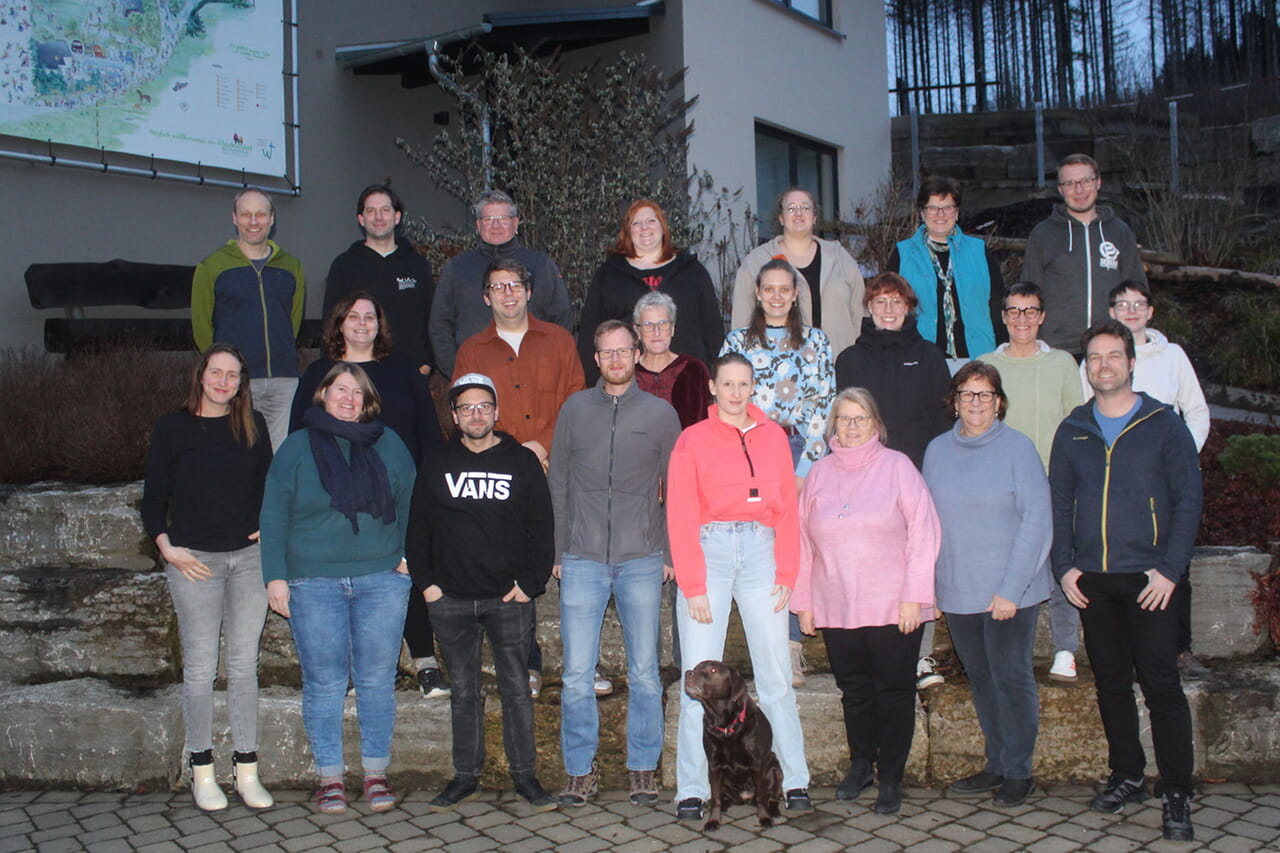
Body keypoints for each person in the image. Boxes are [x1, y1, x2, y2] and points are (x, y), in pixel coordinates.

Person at [1049, 320, 1202, 842]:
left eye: (1114, 356)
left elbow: (1188, 502)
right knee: (1112, 685)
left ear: (1131, 363)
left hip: (1151, 580)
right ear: (1086, 366)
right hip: (1094, 580)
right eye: (1095, 358)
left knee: (1161, 684)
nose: (1104, 366)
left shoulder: (1164, 424)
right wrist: (1065, 566)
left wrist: (1170, 570)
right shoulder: (1073, 428)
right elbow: (1059, 502)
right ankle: (1127, 775)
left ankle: (1177, 791)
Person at [259, 363, 417, 815]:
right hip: (313, 581)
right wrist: (275, 577)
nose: (349, 398)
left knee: (376, 681)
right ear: (323, 394)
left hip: (381, 578)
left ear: (368, 401)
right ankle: (329, 776)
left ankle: (374, 772)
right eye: (340, 389)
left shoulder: (389, 444)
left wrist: (407, 558)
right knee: (325, 683)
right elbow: (273, 513)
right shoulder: (296, 448)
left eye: (358, 392)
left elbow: (410, 500)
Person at [666, 352, 812, 823]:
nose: (734, 392)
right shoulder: (691, 441)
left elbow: (788, 510)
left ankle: (792, 779)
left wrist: (787, 573)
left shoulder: (774, 438)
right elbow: (681, 514)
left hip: (761, 552)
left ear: (754, 387)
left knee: (773, 678)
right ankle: (691, 787)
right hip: (709, 551)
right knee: (696, 680)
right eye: (726, 384)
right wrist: (692, 584)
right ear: (712, 387)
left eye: (743, 384)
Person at [406, 373, 558, 813]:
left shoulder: (521, 461)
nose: (476, 414)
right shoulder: (437, 462)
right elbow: (418, 530)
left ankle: (525, 777)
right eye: (467, 408)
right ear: (454, 416)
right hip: (450, 600)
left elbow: (542, 528)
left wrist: (529, 585)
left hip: (506, 599)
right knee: (464, 691)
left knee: (516, 689)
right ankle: (465, 776)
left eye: (484, 407)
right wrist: (429, 586)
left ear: (496, 412)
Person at [550, 320, 682, 808]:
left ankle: (643, 768)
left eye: (623, 351)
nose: (616, 360)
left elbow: (678, 489)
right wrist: (559, 549)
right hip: (582, 557)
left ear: (636, 352)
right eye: (606, 353)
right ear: (596, 358)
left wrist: (668, 551)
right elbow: (558, 483)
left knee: (646, 672)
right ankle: (578, 771)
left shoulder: (661, 414)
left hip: (642, 557)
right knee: (576, 674)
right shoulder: (574, 410)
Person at [289, 293, 446, 698]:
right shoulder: (319, 373)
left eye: (370, 316)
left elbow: (428, 431)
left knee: (408, 569)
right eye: (353, 315)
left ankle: (424, 661)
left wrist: (433, 484)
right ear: (338, 324)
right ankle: (371, 668)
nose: (362, 323)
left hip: (401, 492)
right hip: (340, 499)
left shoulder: (402, 369)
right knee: (359, 580)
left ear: (381, 324)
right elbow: (298, 438)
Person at [793, 388, 940, 815]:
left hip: (893, 605)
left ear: (876, 425)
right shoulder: (819, 473)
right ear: (832, 424)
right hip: (836, 602)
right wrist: (805, 602)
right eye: (844, 418)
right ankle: (861, 766)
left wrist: (915, 596)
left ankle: (891, 777)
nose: (852, 427)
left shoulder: (898, 468)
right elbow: (803, 543)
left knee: (893, 691)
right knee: (854, 690)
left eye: (861, 419)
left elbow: (924, 532)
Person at [141, 344, 274, 812]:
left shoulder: (252, 426)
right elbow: (153, 495)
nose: (223, 381)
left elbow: (269, 486)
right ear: (201, 376)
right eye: (215, 372)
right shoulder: (173, 427)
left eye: (232, 375)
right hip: (194, 561)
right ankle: (202, 770)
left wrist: (267, 525)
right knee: (199, 670)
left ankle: (246, 770)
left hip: (249, 561)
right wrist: (167, 548)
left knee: (243, 667)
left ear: (241, 382)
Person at [452, 256, 588, 696]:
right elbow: (467, 410)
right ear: (485, 296)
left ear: (529, 291)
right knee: (515, 559)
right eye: (498, 286)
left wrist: (543, 445)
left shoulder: (560, 341)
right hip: (501, 469)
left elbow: (575, 401)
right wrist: (514, 451)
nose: (507, 293)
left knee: (573, 556)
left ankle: (588, 662)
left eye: (514, 285)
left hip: (557, 462)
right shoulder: (472, 351)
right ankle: (527, 662)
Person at [923, 362, 1053, 808]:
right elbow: (929, 524)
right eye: (966, 393)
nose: (975, 402)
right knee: (981, 678)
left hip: (1009, 590)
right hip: (959, 589)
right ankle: (996, 763)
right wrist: (933, 586)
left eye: (984, 394)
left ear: (998, 402)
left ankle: (1019, 770)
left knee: (1011, 677)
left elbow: (1037, 520)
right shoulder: (937, 451)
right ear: (954, 401)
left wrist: (1011, 590)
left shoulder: (1019, 449)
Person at [1086, 279, 1211, 681]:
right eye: (1122, 304)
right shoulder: (1095, 358)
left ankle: (1181, 648)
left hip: (1165, 475)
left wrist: (1181, 460)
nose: (1131, 310)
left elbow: (1196, 411)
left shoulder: (1172, 355)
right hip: (1116, 476)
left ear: (1151, 311)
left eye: (1139, 304)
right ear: (1111, 311)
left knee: (1176, 561)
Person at [834, 272, 951, 690]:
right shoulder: (850, 359)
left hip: (918, 474)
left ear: (908, 307)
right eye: (879, 301)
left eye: (895, 302)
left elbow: (943, 421)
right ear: (868, 307)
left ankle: (920, 655)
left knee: (919, 561)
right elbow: (845, 423)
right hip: (864, 482)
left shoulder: (930, 356)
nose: (887, 309)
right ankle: (868, 643)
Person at [721, 258, 834, 687]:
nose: (776, 296)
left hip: (800, 449)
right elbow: (727, 405)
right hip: (751, 450)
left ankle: (792, 647)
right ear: (757, 293)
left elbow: (826, 403)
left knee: (797, 545)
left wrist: (807, 465)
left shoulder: (816, 342)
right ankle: (768, 645)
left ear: (795, 294)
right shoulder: (736, 343)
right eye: (768, 288)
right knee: (760, 547)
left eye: (785, 288)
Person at [977, 282, 1083, 684]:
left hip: (1053, 480)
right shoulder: (987, 365)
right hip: (999, 484)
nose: (1022, 319)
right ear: (1003, 317)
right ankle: (1000, 649)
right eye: (1014, 311)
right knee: (1006, 565)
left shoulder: (1061, 364)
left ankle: (1065, 650)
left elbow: (1076, 423)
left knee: (1059, 564)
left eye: (1030, 311)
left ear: (1041, 317)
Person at [192, 188, 306, 451]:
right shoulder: (212, 266)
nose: (253, 221)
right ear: (234, 218)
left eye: (260, 214)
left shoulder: (292, 267)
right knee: (237, 455)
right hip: (236, 381)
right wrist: (222, 370)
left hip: (283, 379)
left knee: (279, 459)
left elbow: (293, 320)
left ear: (272, 218)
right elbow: (201, 325)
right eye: (245, 214)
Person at [429, 189, 573, 378]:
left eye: (503, 218)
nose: (496, 225)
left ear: (515, 223)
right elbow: (440, 325)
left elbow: (561, 319)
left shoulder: (541, 265)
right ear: (478, 225)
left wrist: (550, 367)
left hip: (535, 374)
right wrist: (459, 373)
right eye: (488, 219)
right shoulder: (457, 268)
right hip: (477, 375)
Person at [577, 199, 723, 381]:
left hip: (687, 382)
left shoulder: (692, 271)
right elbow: (590, 335)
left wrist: (713, 379)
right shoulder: (608, 275)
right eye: (636, 223)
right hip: (630, 386)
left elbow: (713, 332)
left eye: (651, 221)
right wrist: (597, 385)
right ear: (627, 232)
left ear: (663, 227)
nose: (644, 227)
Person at [1022, 154, 1148, 354]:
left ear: (1098, 182)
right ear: (1060, 189)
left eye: (1085, 181)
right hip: (1058, 349)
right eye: (1070, 183)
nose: (1079, 190)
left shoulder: (1119, 232)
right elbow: (1028, 295)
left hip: (1109, 347)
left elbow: (1137, 289)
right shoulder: (1043, 234)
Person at [887, 176, 1004, 368]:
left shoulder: (979, 251)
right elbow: (887, 307)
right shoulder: (903, 253)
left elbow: (997, 304)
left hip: (978, 357)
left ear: (957, 212)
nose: (940, 214)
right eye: (932, 208)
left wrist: (1001, 350)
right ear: (923, 213)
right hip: (920, 360)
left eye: (948, 207)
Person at [732, 187, 866, 355]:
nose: (798, 212)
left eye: (805, 207)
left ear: (815, 217)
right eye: (791, 208)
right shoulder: (757, 261)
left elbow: (860, 313)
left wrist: (858, 355)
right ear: (781, 218)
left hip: (839, 365)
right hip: (782, 369)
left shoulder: (840, 257)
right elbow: (741, 321)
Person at [323, 184, 436, 373]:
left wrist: (427, 363)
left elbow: (432, 318)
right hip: (357, 373)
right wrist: (332, 367)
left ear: (397, 216)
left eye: (385, 210)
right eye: (371, 211)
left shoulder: (417, 265)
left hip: (410, 372)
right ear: (361, 219)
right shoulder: (344, 266)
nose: (378, 217)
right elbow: (330, 321)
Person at [634, 290, 712, 429]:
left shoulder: (694, 371)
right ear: (637, 331)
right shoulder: (627, 373)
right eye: (648, 325)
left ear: (673, 329)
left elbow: (708, 425)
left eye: (663, 324)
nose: (656, 332)